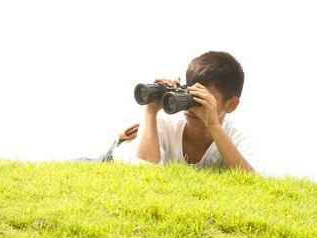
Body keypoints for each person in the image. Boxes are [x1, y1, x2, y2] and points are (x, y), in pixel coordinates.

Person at [84, 51, 258, 172]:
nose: (191, 107)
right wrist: (151, 110)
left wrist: (213, 126)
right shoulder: (166, 125)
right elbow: (143, 170)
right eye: (189, 94)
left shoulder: (237, 136)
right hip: (111, 159)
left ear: (231, 105)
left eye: (203, 99)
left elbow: (251, 180)